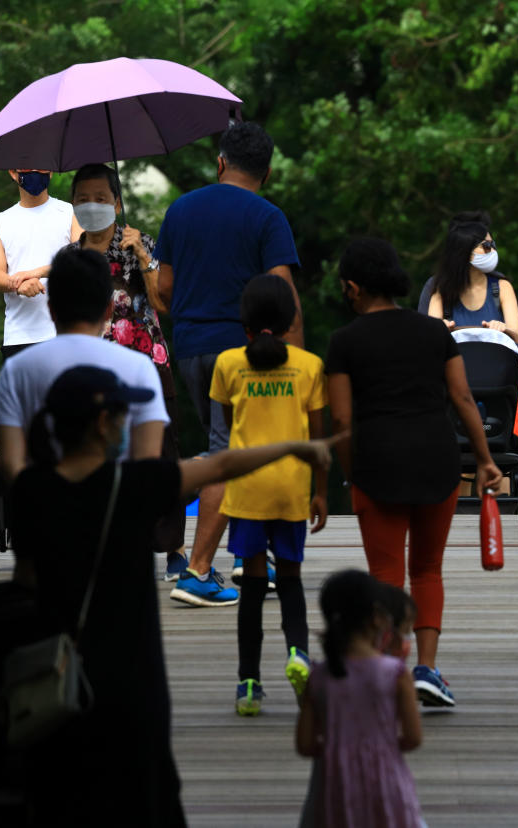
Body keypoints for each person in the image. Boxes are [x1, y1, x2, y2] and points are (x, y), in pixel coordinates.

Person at [9, 364, 334, 827]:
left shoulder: (31, 491)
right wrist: (295, 447)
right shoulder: (133, 486)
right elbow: (219, 465)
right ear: (102, 424)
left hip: (51, 676)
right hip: (129, 678)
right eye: (123, 415)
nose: (128, 425)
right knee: (149, 797)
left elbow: (25, 582)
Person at [326, 237, 503, 707]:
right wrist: (485, 460)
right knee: (427, 570)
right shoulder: (433, 333)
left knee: (385, 573)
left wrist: (351, 475)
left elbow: (341, 421)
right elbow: (463, 400)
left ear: (353, 287)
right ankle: (427, 669)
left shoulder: (344, 342)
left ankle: (388, 671)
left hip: (377, 463)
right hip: (437, 460)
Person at [155, 121, 302, 607]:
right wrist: (295, 362)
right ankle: (197, 572)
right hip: (239, 353)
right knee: (230, 453)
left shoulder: (180, 210)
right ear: (269, 171)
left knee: (235, 445)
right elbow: (283, 295)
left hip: (191, 350)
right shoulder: (267, 216)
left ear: (220, 163)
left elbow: (166, 291)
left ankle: (244, 553)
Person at [209, 274, 328, 714]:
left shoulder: (227, 364)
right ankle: (298, 654)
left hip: (248, 489)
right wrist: (321, 495)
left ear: (244, 322)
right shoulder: (310, 365)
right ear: (289, 320)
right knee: (291, 579)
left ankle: (248, 684)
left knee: (254, 587)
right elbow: (318, 439)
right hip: (291, 487)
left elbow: (228, 419)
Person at [67, 163, 185, 576]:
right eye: (83, 198)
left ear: (117, 202)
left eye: (101, 198)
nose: (92, 205)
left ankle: (172, 548)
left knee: (162, 451)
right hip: (95, 368)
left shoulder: (139, 243)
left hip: (147, 360)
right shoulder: (71, 257)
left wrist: (143, 254)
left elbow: (163, 304)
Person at [0, 247, 173, 490]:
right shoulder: (139, 367)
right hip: (116, 517)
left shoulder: (17, 370)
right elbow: (148, 461)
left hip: (42, 517)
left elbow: (11, 463)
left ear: (51, 310)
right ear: (108, 309)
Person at [295, 569, 423, 828]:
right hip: (386, 781)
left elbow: (305, 744)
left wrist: (338, 750)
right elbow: (413, 737)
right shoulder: (395, 674)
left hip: (333, 784)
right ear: (377, 618)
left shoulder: (318, 676)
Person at [0, 168, 81, 359]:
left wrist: (37, 273)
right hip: (20, 337)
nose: (36, 171)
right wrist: (18, 285)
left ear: (51, 172)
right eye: (29, 167)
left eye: (42, 166)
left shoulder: (70, 213)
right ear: (13, 173)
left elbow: (81, 260)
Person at [426, 220, 518, 344]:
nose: (492, 251)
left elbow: (517, 336)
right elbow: (429, 338)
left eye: (493, 245)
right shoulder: (441, 289)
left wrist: (504, 329)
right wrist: (438, 328)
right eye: (487, 246)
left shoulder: (503, 287)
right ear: (464, 251)